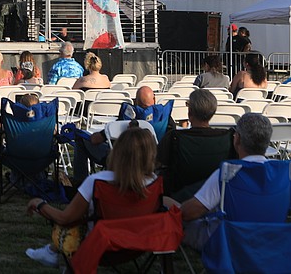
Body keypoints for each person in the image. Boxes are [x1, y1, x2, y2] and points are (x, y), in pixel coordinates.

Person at [25, 126, 159, 268]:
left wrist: (39, 203)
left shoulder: (98, 181)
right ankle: (51, 252)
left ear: (117, 152)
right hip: (138, 246)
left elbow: (64, 218)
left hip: (100, 246)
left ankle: (52, 253)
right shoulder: (154, 182)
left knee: (77, 219)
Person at [176, 113, 274, 250]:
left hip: (229, 243)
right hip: (268, 239)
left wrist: (173, 208)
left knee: (179, 219)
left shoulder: (227, 174)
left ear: (237, 139)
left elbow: (189, 212)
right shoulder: (281, 174)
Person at [71, 86, 162, 185]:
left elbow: (95, 139)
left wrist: (81, 133)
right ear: (154, 99)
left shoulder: (125, 120)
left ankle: (80, 183)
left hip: (119, 161)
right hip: (152, 161)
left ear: (135, 101)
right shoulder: (163, 120)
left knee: (81, 139)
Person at [156, 89, 234, 199]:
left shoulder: (173, 137)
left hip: (179, 199)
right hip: (216, 197)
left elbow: (156, 164)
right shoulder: (228, 137)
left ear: (190, 112)